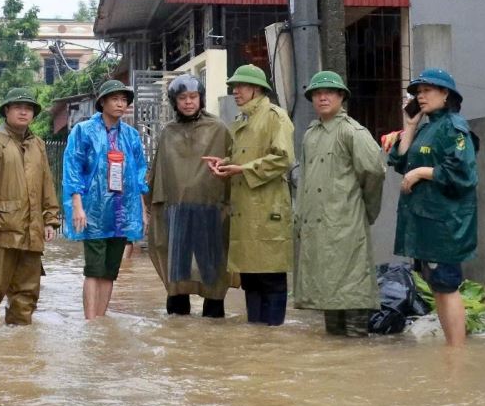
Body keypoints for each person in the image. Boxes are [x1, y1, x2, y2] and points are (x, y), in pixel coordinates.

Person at [388, 68, 479, 347]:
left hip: (445, 225)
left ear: (445, 94)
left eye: (427, 90)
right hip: (425, 223)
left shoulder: (454, 126)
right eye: (418, 92)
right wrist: (411, 126)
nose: (420, 96)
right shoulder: (427, 128)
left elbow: (463, 173)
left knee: (447, 287)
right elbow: (401, 163)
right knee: (438, 288)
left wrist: (422, 173)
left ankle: (457, 352)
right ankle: (452, 350)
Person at [292, 71, 386, 337]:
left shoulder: (352, 132)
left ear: (341, 96)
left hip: (346, 224)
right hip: (317, 226)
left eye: (329, 92)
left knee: (352, 291)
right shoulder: (311, 134)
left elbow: (375, 172)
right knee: (327, 292)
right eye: (317, 93)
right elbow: (306, 178)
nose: (323, 97)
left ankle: (357, 357)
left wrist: (363, 209)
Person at [213, 65, 294, 326]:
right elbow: (244, 156)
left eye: (241, 86)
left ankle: (272, 338)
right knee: (251, 279)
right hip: (244, 211)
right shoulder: (241, 120)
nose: (235, 91)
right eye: (234, 87)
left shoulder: (274, 117)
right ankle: (257, 340)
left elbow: (283, 159)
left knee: (271, 277)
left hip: (267, 210)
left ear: (256, 89)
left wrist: (242, 168)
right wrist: (225, 163)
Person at [62, 79, 149, 320]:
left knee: (110, 271)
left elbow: (139, 173)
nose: (120, 104)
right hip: (93, 211)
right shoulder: (84, 131)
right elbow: (72, 169)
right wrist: (77, 206)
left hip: (121, 213)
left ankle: (100, 319)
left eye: (124, 100)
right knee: (94, 269)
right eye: (115, 99)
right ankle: (90, 320)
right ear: (103, 102)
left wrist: (141, 211)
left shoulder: (131, 136)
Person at [146, 74, 232, 318]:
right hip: (176, 213)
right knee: (177, 281)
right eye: (182, 98)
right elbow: (157, 173)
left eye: (193, 97)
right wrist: (149, 207)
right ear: (175, 102)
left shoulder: (218, 128)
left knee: (213, 277)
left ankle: (211, 340)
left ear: (201, 99)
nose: (188, 102)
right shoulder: (168, 132)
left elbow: (232, 167)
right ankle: (178, 336)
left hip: (211, 212)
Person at [0, 88, 60, 327]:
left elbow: (46, 182)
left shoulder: (38, 145)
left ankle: (19, 346)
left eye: (29, 108)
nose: (24, 112)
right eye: (18, 107)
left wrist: (50, 219)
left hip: (32, 230)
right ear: (6, 111)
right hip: (1, 229)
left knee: (27, 292)